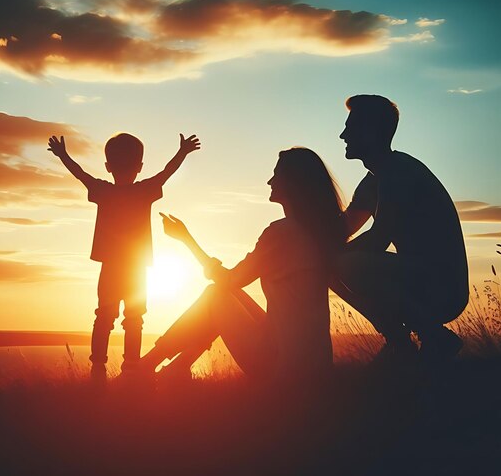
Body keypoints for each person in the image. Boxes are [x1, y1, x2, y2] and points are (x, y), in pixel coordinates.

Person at [140, 147, 346, 383]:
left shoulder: (281, 234)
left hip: (282, 367)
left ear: (292, 183)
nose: (270, 181)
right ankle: (173, 371)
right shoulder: (316, 231)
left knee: (215, 294)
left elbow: (228, 279)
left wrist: (186, 239)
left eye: (276, 175)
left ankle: (143, 367)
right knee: (227, 294)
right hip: (316, 364)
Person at [48, 131, 200, 380]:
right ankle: (130, 367)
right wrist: (182, 152)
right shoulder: (144, 190)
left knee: (104, 317)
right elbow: (166, 173)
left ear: (108, 166)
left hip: (110, 267)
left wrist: (63, 155)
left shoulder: (103, 191)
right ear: (140, 167)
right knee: (134, 318)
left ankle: (98, 369)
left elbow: (80, 175)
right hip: (136, 268)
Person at [334, 95, 469, 361]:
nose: (343, 135)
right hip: (419, 278)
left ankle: (432, 336)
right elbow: (342, 230)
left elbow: (378, 240)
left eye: (350, 127)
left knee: (344, 265)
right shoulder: (375, 180)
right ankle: (400, 342)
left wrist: (330, 257)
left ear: (371, 132)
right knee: (332, 266)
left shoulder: (398, 172)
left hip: (441, 287)